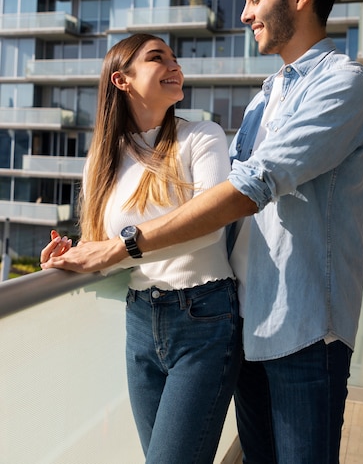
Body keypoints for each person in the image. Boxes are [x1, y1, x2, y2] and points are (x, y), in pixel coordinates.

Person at [41, 0, 363, 464]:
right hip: (247, 324)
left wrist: (119, 249)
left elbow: (250, 188)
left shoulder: (343, 85)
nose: (244, 14)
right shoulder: (266, 97)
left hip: (304, 329)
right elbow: (218, 209)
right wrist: (85, 249)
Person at [41, 33, 241, 464]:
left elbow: (210, 226)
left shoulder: (203, 137)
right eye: (157, 58)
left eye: (174, 56)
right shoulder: (104, 157)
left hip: (203, 318)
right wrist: (69, 256)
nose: (175, 65)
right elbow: (100, 244)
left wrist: (115, 249)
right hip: (139, 321)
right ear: (122, 80)